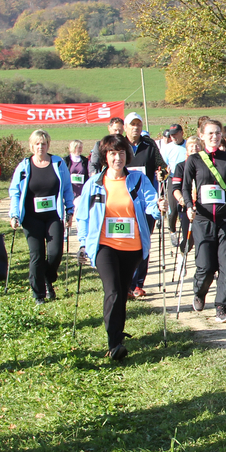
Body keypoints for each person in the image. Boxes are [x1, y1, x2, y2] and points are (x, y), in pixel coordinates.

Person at [75, 134, 164, 361]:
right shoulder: (94, 184)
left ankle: (117, 336)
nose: (118, 158)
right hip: (105, 245)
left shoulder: (138, 180)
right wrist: (83, 243)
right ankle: (114, 343)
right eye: (113, 153)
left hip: (132, 247)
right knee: (113, 291)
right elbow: (83, 216)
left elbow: (151, 203)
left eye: (122, 153)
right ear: (105, 157)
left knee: (122, 293)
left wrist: (160, 207)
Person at [182, 120, 226, 323]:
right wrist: (189, 206)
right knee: (206, 267)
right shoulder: (194, 160)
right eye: (210, 133)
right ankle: (199, 292)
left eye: (218, 133)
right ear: (201, 135)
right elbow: (185, 187)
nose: (214, 136)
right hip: (203, 219)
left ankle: (223, 308)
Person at [8, 129, 76, 304]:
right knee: (37, 255)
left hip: (53, 216)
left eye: (43, 144)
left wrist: (69, 209)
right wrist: (14, 214)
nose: (40, 147)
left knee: (55, 253)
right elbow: (15, 192)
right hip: (31, 217)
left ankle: (47, 278)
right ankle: (38, 293)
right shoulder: (24, 166)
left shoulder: (58, 163)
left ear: (48, 145)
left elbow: (67, 188)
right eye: (37, 144)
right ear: (32, 146)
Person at [124, 112, 169, 298]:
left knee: (143, 241)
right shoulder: (120, 145)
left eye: (138, 124)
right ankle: (125, 282)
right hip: (125, 201)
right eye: (132, 124)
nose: (136, 127)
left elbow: (164, 168)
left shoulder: (149, 145)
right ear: (125, 127)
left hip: (147, 201)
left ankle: (137, 284)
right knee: (127, 242)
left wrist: (162, 174)